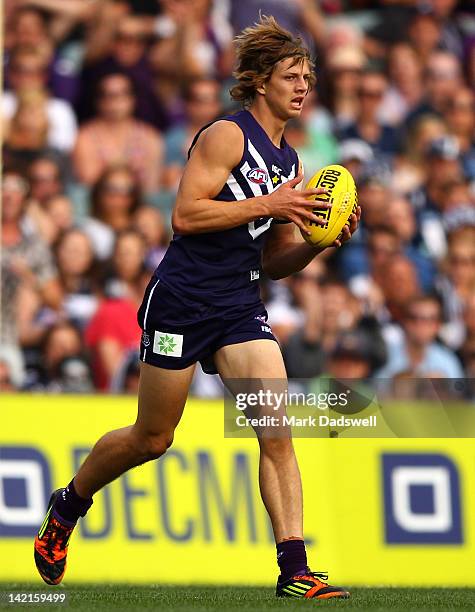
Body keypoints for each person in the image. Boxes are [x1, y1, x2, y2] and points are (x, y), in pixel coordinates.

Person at [34, 16, 359, 600]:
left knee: (275, 432)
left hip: (238, 302)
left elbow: (274, 258)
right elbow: (185, 216)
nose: (303, 86)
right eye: (291, 75)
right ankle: (69, 503)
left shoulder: (289, 162)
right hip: (182, 300)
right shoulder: (226, 136)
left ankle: (294, 570)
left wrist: (316, 242)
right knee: (153, 438)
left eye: (308, 77)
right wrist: (273, 203)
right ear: (261, 82)